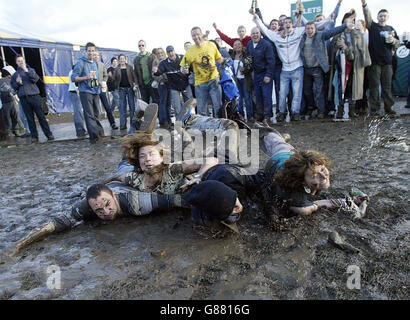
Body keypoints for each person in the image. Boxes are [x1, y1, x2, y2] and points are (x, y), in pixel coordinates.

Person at [255, 123, 369, 218]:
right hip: (276, 160)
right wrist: (341, 202)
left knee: (280, 143)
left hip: (290, 154)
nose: (324, 177)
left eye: (323, 169)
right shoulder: (294, 195)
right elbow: (310, 206)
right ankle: (259, 131)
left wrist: (353, 200)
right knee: (274, 142)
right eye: (315, 175)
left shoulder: (318, 172)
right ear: (302, 181)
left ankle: (271, 133)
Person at [250, 8, 332, 122]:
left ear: (292, 24)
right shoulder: (277, 36)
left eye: (289, 22)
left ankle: (295, 113)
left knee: (297, 93)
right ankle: (282, 113)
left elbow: (313, 25)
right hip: (284, 69)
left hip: (297, 68)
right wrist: (256, 18)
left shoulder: (298, 31)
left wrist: (328, 20)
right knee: (282, 93)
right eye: (285, 23)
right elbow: (264, 30)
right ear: (282, 25)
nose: (287, 24)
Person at [301, 19, 352, 119]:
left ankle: (321, 111)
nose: (309, 30)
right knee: (307, 91)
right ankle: (312, 108)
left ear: (315, 29)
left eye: (312, 28)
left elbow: (332, 32)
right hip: (306, 68)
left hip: (317, 68)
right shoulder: (302, 38)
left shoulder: (320, 36)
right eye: (307, 28)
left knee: (320, 91)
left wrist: (345, 25)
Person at [328, 10, 371, 119]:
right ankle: (340, 110)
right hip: (340, 67)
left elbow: (361, 51)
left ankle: (352, 111)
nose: (349, 23)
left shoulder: (358, 35)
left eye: (352, 21)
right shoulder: (338, 34)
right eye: (347, 21)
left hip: (354, 67)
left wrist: (347, 48)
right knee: (340, 89)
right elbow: (332, 50)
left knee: (353, 89)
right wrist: (338, 48)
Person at [361, 0, 400, 115]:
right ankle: (374, 109)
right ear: (377, 17)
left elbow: (397, 43)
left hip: (388, 62)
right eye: (380, 15)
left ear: (387, 17)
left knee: (387, 87)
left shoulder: (391, 29)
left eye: (384, 16)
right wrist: (364, 5)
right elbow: (367, 16)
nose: (382, 17)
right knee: (374, 87)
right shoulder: (372, 26)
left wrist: (393, 41)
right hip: (374, 62)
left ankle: (389, 108)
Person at [180, 27, 224, 117]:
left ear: (201, 34)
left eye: (197, 34)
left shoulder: (211, 45)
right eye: (193, 35)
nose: (196, 37)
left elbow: (220, 59)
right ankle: (205, 129)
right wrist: (184, 70)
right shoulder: (190, 51)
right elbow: (183, 67)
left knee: (218, 106)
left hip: (214, 80)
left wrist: (226, 64)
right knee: (201, 109)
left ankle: (219, 128)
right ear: (192, 37)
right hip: (200, 84)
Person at [11, 55, 54, 143]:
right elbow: (14, 87)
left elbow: (35, 79)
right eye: (18, 61)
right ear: (16, 63)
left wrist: (26, 70)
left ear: (24, 61)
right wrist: (17, 83)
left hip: (34, 96)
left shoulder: (31, 70)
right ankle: (34, 136)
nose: (20, 62)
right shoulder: (15, 75)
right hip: (24, 98)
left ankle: (48, 133)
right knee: (29, 118)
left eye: (21, 60)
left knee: (41, 116)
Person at [71, 42, 105, 144]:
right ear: (86, 51)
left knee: (96, 113)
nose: (91, 52)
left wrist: (100, 83)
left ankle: (99, 133)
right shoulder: (81, 62)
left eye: (93, 51)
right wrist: (86, 77)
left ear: (95, 52)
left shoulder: (94, 63)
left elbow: (96, 77)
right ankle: (94, 137)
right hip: (85, 91)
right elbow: (73, 78)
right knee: (89, 114)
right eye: (89, 51)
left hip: (95, 91)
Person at [153, 45, 192, 127]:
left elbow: (190, 69)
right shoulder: (164, 63)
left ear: (174, 51)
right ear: (167, 53)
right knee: (177, 107)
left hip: (185, 84)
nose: (171, 53)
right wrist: (156, 71)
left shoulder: (182, 58)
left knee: (189, 105)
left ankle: (189, 121)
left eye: (172, 51)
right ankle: (179, 125)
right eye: (169, 52)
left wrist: (187, 71)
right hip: (174, 87)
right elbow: (159, 71)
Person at [246, 27, 275, 125]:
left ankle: (267, 116)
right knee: (258, 95)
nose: (255, 35)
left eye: (257, 33)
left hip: (265, 73)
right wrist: (248, 68)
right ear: (251, 35)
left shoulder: (266, 45)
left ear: (260, 34)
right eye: (253, 33)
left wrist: (268, 75)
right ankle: (260, 115)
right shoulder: (249, 44)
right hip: (256, 73)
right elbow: (248, 58)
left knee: (266, 95)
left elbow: (271, 61)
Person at [113, 54, 137, 132]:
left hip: (130, 89)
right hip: (121, 89)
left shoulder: (130, 67)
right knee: (122, 107)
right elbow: (114, 79)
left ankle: (133, 124)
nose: (122, 60)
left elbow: (134, 77)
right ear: (119, 60)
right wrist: (111, 76)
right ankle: (123, 125)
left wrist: (135, 85)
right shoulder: (117, 69)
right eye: (120, 59)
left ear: (125, 59)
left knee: (132, 107)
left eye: (123, 58)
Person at [95, 51, 118, 130]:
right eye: (95, 55)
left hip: (101, 89)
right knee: (96, 108)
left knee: (107, 107)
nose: (96, 56)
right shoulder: (89, 65)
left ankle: (112, 123)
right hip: (93, 90)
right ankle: (97, 126)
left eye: (97, 55)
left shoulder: (102, 65)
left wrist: (103, 82)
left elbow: (105, 75)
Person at [232, 40, 254, 121]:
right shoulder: (232, 56)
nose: (237, 46)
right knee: (239, 99)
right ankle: (241, 116)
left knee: (247, 98)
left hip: (245, 80)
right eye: (235, 45)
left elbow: (250, 67)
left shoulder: (246, 55)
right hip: (236, 81)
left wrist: (244, 69)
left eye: (239, 44)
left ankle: (250, 116)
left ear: (242, 46)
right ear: (233, 47)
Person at [133, 40, 159, 104]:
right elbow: (135, 73)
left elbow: (157, 68)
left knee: (156, 101)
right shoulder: (136, 59)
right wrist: (136, 83)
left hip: (152, 83)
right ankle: (147, 114)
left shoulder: (152, 56)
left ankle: (157, 114)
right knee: (145, 103)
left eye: (142, 45)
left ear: (145, 46)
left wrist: (156, 79)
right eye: (139, 45)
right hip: (142, 85)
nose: (141, 47)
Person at [152, 47, 172, 129]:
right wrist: (162, 79)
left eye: (161, 53)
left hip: (169, 84)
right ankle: (163, 121)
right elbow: (153, 75)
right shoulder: (155, 62)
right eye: (158, 53)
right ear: (156, 55)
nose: (160, 54)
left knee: (168, 103)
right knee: (162, 103)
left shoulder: (167, 61)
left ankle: (169, 120)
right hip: (162, 84)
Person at [0, 66, 20, 137]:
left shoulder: (8, 79)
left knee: (13, 116)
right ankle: (10, 131)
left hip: (10, 100)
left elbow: (14, 87)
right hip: (6, 102)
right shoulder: (2, 81)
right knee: (9, 117)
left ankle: (14, 131)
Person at [68, 65, 87, 138]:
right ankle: (80, 130)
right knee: (78, 112)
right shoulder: (73, 73)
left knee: (78, 111)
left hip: (74, 92)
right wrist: (77, 91)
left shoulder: (71, 72)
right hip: (74, 92)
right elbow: (74, 84)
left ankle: (81, 129)